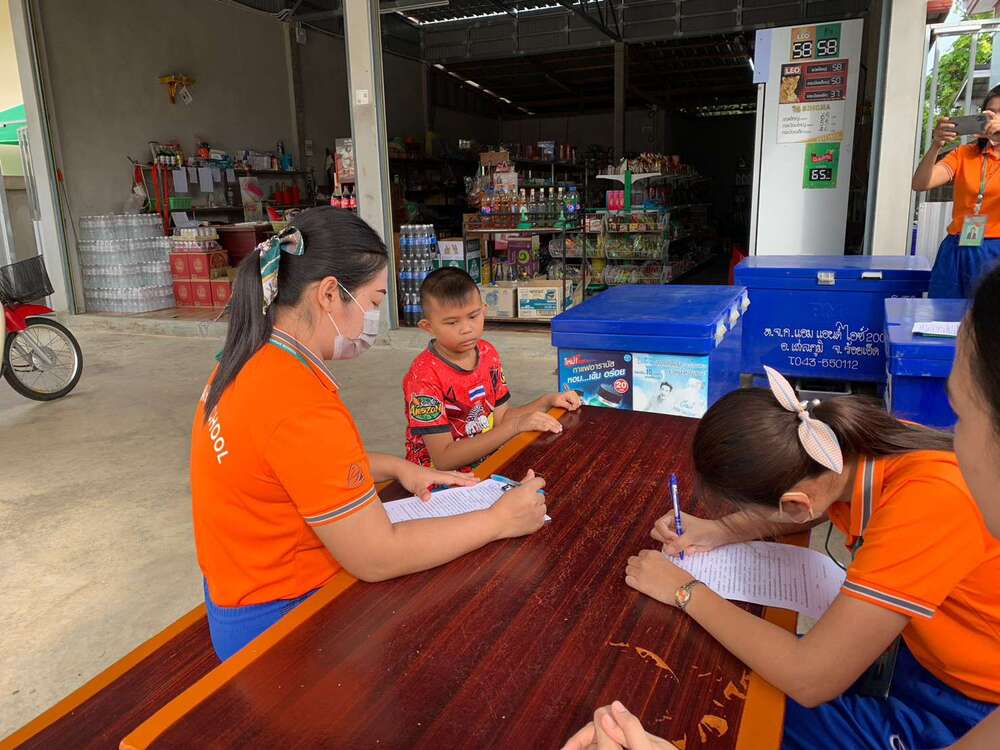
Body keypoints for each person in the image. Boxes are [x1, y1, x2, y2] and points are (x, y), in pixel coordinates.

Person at [191, 208, 548, 661]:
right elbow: (376, 557)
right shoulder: (299, 401)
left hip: (237, 591)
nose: (373, 320)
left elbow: (293, 468)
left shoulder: (248, 360)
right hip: (283, 621)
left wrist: (400, 467)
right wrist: (500, 520)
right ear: (329, 294)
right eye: (374, 303)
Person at [620, 367, 1000, 750]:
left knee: (729, 712)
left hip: (971, 703)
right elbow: (817, 505)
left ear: (795, 505)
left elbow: (811, 678)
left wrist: (685, 590)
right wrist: (721, 530)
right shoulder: (843, 447)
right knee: (732, 669)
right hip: (926, 656)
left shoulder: (926, 503)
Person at [402, 267, 581, 471]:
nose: (466, 329)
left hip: (485, 460)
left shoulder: (487, 353)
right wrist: (515, 426)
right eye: (452, 322)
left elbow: (500, 418)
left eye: (473, 316)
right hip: (434, 477)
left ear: (484, 310)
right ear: (428, 327)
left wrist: (547, 401)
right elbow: (444, 459)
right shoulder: (423, 377)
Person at [912, 85, 1000, 298]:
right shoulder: (964, 153)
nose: (996, 119)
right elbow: (921, 183)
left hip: (995, 251)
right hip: (956, 246)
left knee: (987, 316)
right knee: (942, 312)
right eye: (991, 112)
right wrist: (936, 145)